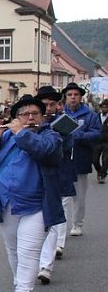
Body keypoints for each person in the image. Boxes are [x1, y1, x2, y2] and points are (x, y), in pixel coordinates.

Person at [0, 95, 63, 292]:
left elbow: (46, 153)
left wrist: (21, 132)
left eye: (35, 113)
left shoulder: (51, 137)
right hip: (7, 203)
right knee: (13, 249)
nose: (30, 117)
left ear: (43, 117)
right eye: (24, 114)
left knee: (29, 251)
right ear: (16, 117)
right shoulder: (7, 137)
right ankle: (19, 285)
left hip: (36, 205)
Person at [36, 86, 77, 284]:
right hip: (37, 179)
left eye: (53, 104)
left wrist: (57, 135)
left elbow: (68, 146)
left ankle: (46, 265)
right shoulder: (32, 122)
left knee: (53, 218)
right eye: (45, 105)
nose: (49, 108)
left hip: (58, 174)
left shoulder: (63, 124)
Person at [62, 83, 100, 236]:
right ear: (65, 97)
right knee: (62, 197)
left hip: (80, 159)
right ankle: (60, 226)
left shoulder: (90, 115)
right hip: (63, 160)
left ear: (80, 97)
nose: (73, 97)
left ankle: (77, 224)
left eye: (76, 95)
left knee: (79, 196)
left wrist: (80, 135)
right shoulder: (61, 113)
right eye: (70, 95)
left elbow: (97, 134)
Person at [95, 99, 108, 184]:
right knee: (94, 160)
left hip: (107, 142)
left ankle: (102, 175)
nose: (104, 109)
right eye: (103, 107)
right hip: (96, 141)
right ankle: (99, 171)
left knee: (106, 159)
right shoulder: (97, 116)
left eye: (106, 107)